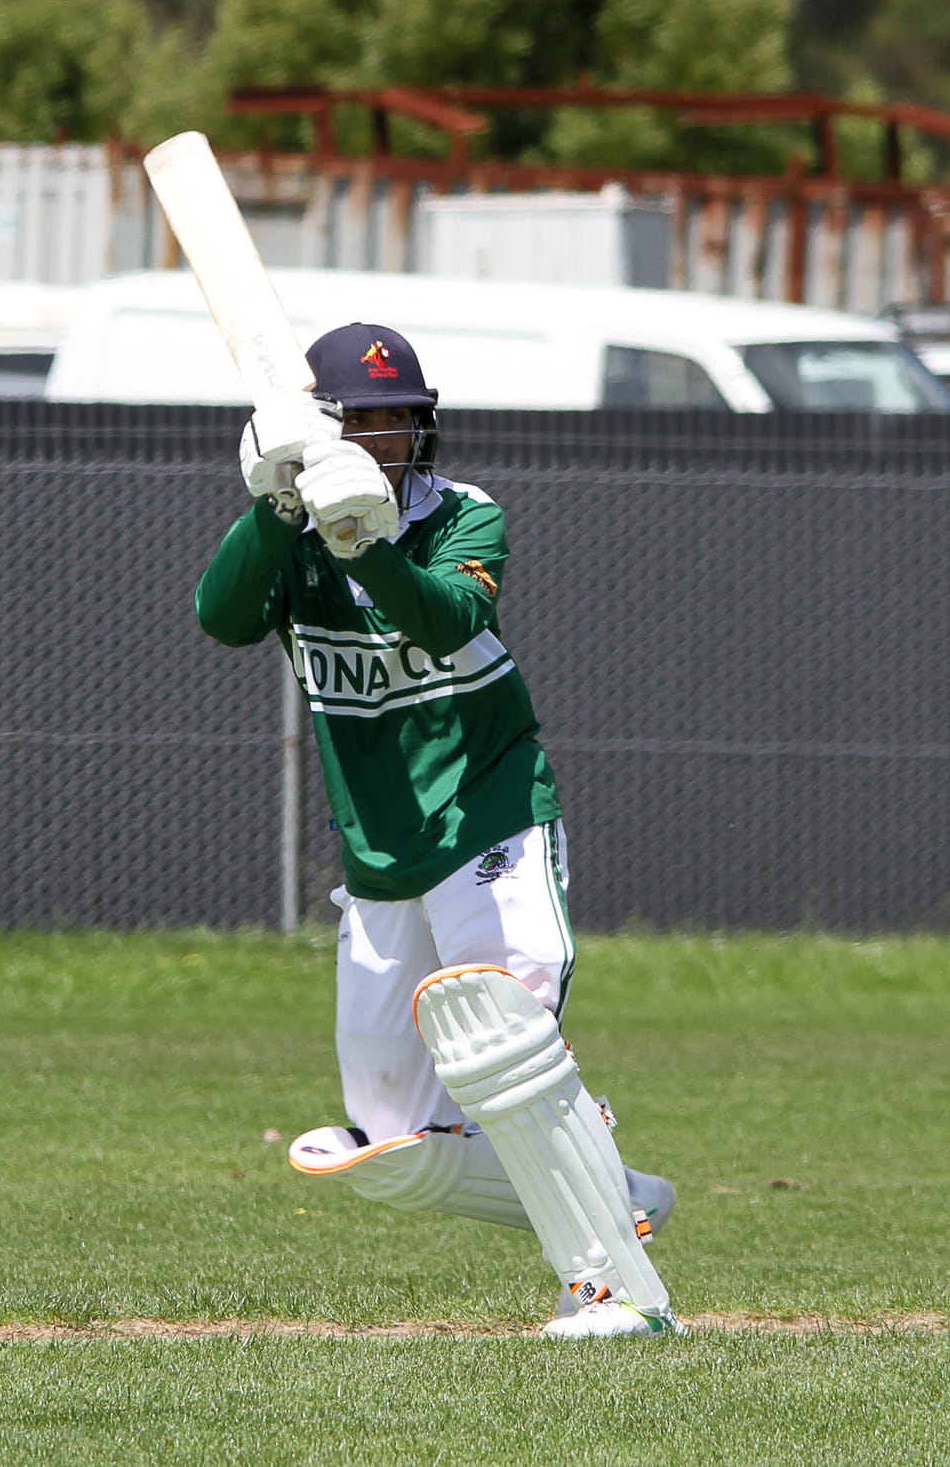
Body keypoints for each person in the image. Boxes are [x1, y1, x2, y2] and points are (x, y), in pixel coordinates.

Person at [194, 322, 681, 1340]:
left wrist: (363, 538)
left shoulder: (465, 516)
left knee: (501, 1040)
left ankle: (614, 1292)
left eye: (400, 421)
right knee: (395, 1152)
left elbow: (447, 623)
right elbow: (222, 618)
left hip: (489, 812)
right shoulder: (287, 532)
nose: (385, 439)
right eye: (362, 421)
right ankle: (605, 1181)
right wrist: (276, 508)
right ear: (322, 426)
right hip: (381, 853)